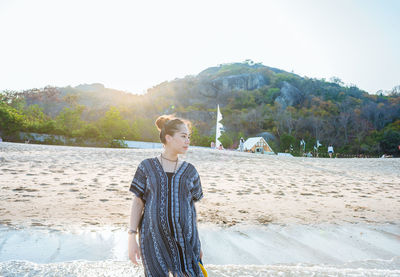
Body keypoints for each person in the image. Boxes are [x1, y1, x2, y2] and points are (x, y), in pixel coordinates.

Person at [128, 114, 205, 277]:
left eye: (188, 137)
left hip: (185, 242)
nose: (188, 141)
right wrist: (131, 237)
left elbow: (192, 210)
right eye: (183, 136)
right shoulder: (146, 167)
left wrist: (197, 244)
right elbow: (138, 202)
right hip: (153, 240)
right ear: (168, 138)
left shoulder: (190, 171)